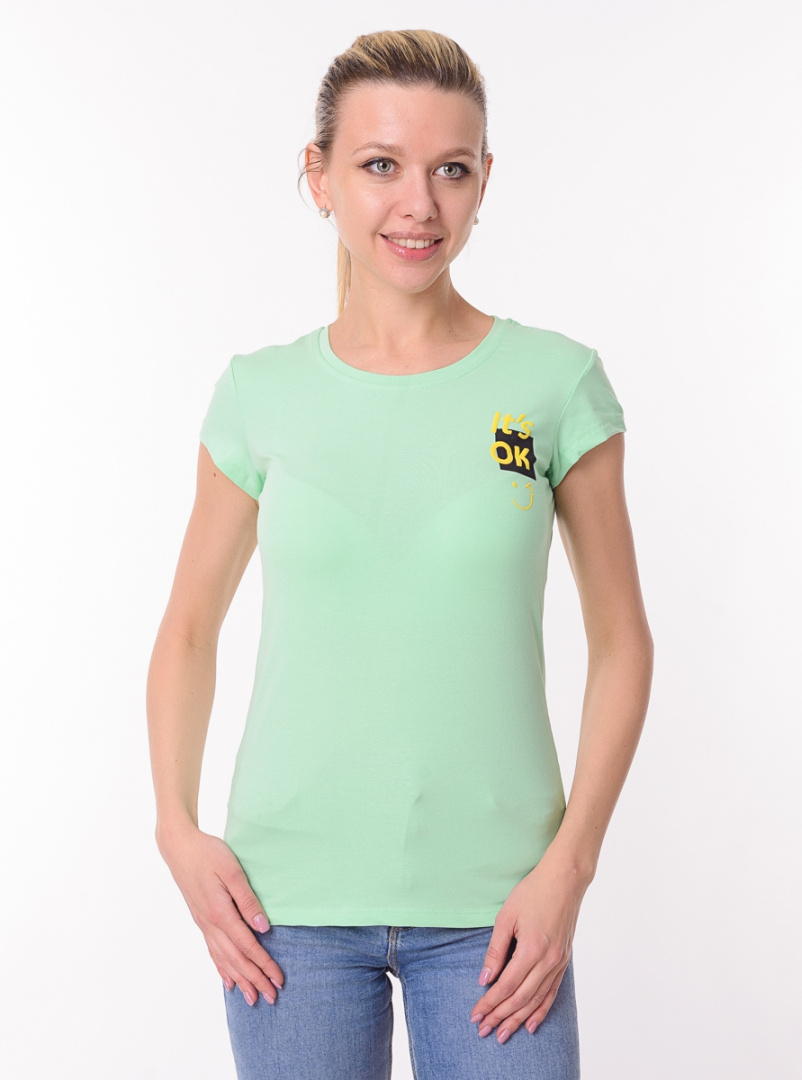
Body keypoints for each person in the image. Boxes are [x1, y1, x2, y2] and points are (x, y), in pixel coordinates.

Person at [146, 28, 654, 1080]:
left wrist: (570, 868)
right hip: (285, 914)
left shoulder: (555, 385)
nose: (419, 204)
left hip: (501, 913)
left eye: (450, 170)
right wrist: (176, 831)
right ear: (319, 177)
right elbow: (189, 628)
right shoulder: (258, 393)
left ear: (484, 181)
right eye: (381, 165)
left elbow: (623, 642)